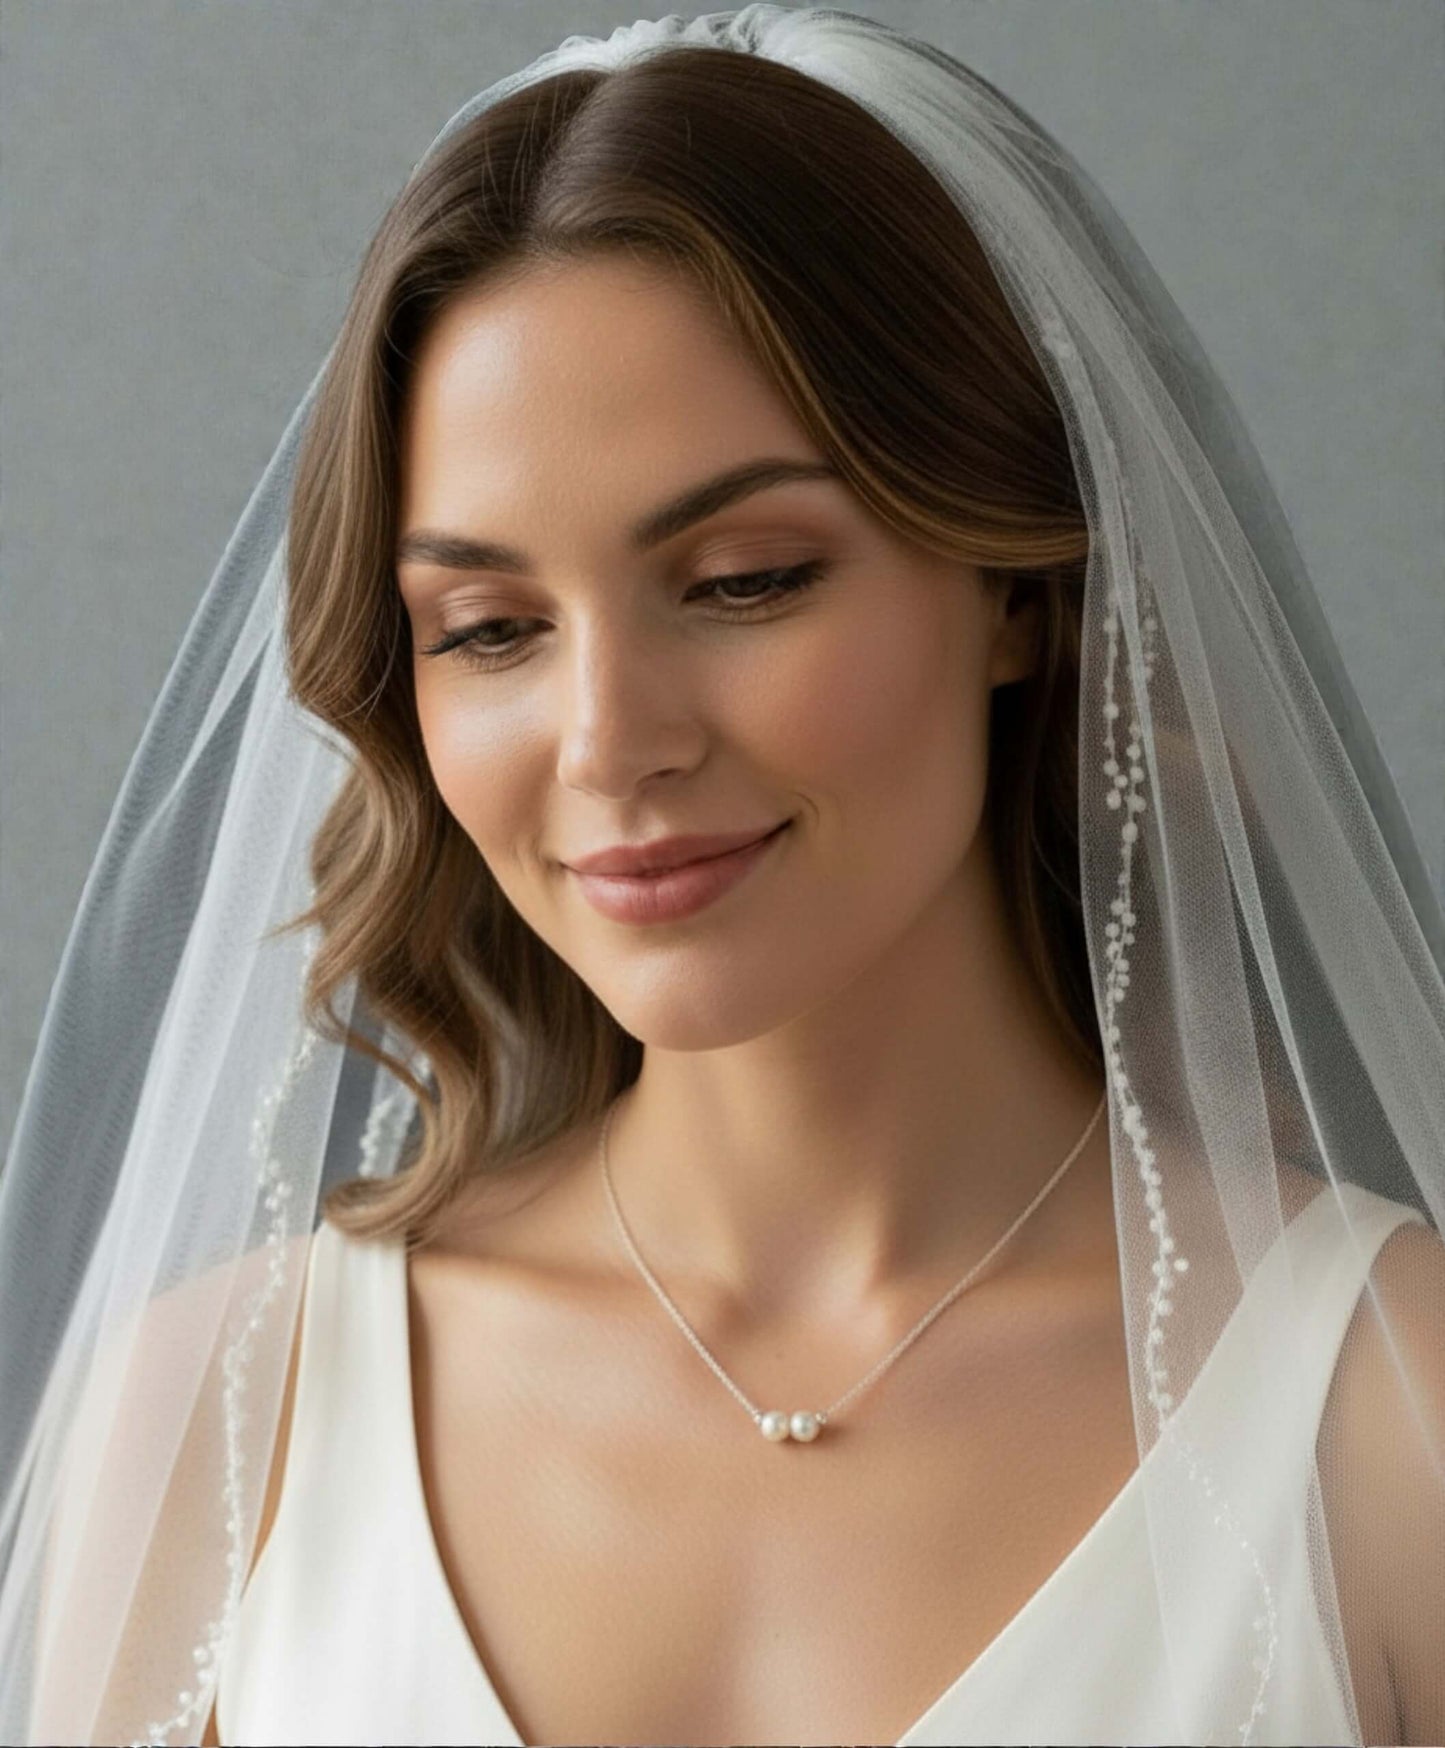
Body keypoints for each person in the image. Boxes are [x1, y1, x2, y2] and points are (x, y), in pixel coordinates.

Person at [2, 8, 1441, 1746]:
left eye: (747, 579)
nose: (610, 742)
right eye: (492, 628)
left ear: (1010, 585)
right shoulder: (223, 1416)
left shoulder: (1385, 1416)